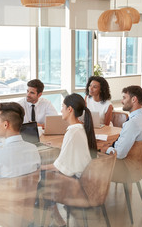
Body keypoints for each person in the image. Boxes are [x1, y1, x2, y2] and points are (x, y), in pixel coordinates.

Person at [39, 93, 97, 226]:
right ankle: (52, 212)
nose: (61, 110)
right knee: (46, 172)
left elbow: (58, 166)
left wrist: (40, 167)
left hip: (77, 184)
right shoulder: (80, 128)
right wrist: (60, 146)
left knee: (42, 175)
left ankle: (52, 214)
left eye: (62, 107)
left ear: (70, 109)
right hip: (86, 179)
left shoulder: (72, 132)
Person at [101, 85, 142, 159]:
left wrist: (106, 149)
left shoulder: (132, 123)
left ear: (133, 99)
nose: (122, 101)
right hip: (136, 162)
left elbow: (119, 154)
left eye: (124, 98)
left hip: (122, 164)